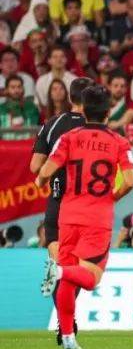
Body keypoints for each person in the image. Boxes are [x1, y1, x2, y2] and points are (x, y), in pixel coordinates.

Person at [38, 84, 133, 349]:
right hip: (97, 217)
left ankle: (68, 337)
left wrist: (41, 181)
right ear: (107, 112)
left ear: (84, 110)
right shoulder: (118, 142)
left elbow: (45, 170)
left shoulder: (69, 138)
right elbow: (130, 180)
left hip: (68, 215)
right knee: (91, 278)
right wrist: (113, 196)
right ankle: (58, 271)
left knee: (69, 279)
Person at [29, 77, 93, 283]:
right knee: (82, 254)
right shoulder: (98, 127)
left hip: (59, 195)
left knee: (53, 238)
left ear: (70, 97)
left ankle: (57, 268)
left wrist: (46, 173)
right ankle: (67, 274)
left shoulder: (53, 123)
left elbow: (35, 166)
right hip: (88, 200)